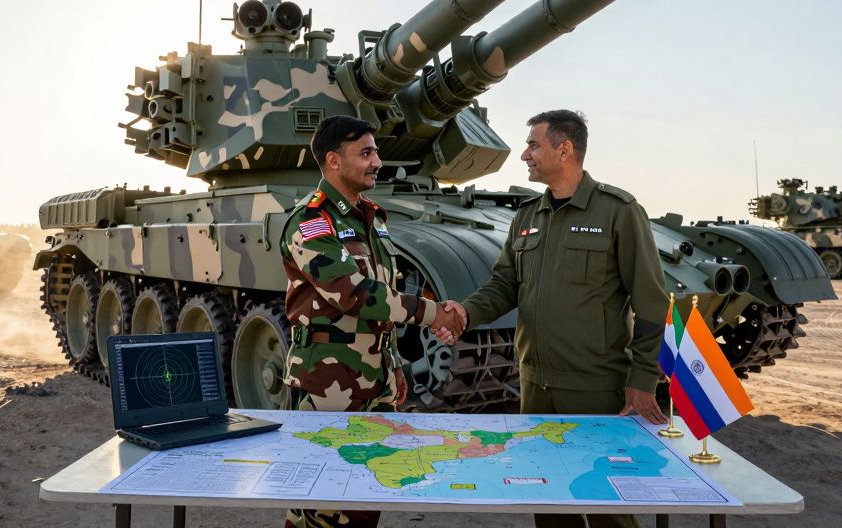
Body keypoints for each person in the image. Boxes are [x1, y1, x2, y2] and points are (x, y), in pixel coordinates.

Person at [439, 109, 669, 528]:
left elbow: (651, 302)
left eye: (533, 144)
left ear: (564, 149)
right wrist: (467, 312)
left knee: (606, 503)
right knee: (548, 500)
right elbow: (505, 285)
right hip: (535, 385)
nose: (525, 154)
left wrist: (641, 381)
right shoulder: (528, 216)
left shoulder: (618, 211)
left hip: (595, 385)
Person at [281, 114, 462, 528]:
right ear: (333, 161)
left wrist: (395, 362)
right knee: (322, 502)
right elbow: (356, 295)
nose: (377, 161)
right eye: (365, 153)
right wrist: (436, 314)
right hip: (329, 382)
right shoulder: (311, 223)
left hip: (375, 377)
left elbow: (384, 295)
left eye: (376, 151)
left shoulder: (373, 218)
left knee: (365, 493)